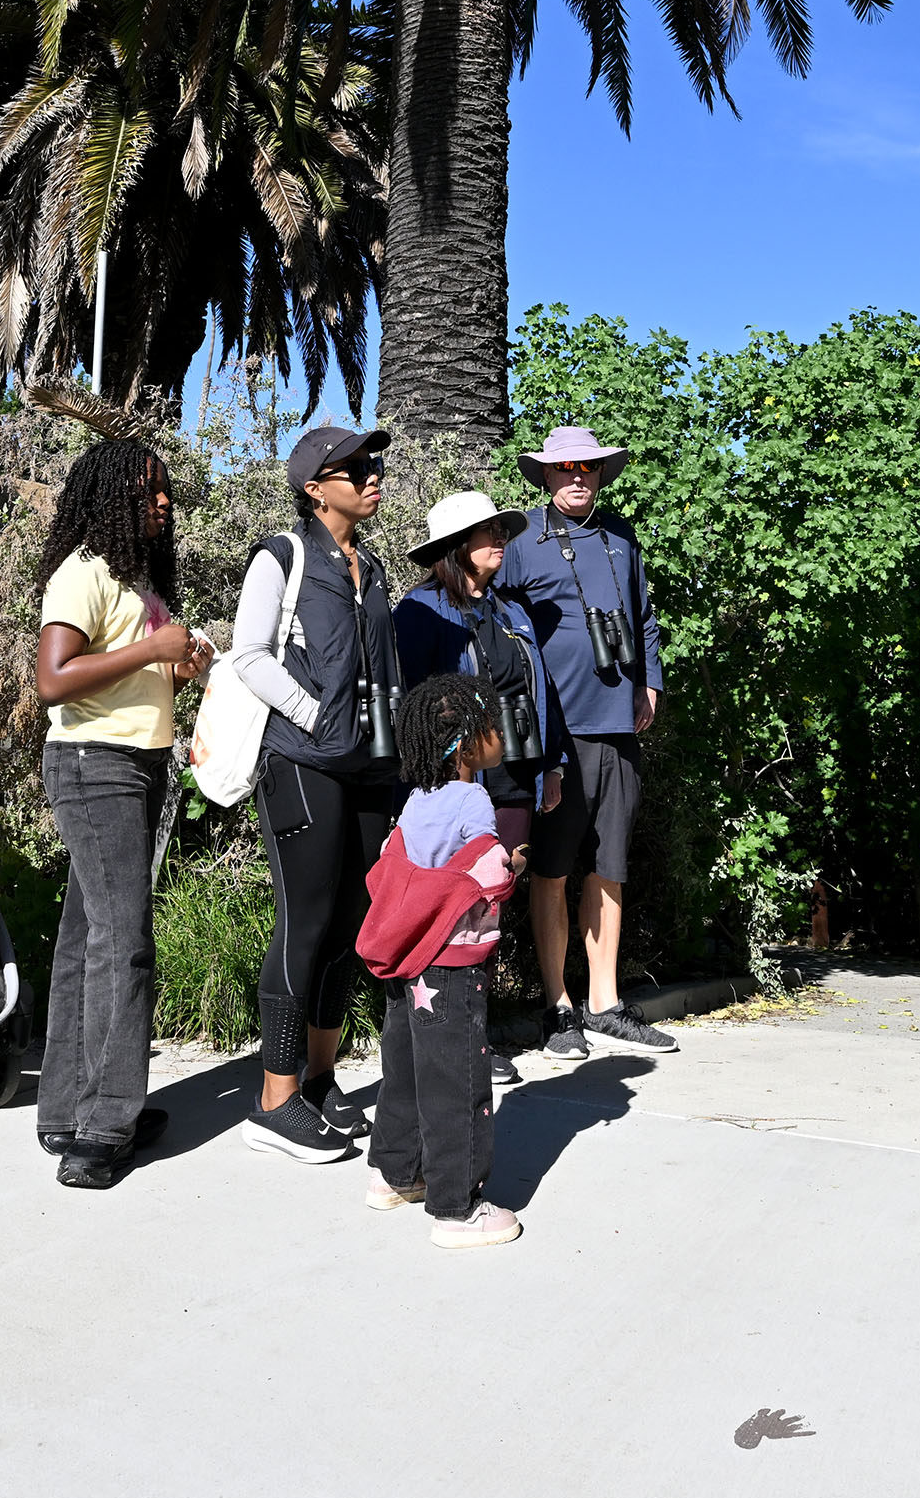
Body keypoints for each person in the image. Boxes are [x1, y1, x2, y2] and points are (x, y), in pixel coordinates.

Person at [227, 423, 403, 1162]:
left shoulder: (375, 567)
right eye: (354, 468)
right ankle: (273, 1100)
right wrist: (314, 715)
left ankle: (320, 1080)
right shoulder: (283, 555)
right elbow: (249, 654)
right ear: (312, 485)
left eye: (373, 465)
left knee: (350, 923)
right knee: (308, 919)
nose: (371, 476)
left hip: (369, 766)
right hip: (301, 760)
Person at [31, 439, 204, 1190]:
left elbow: (135, 669)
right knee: (123, 944)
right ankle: (102, 1130)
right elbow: (53, 679)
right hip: (95, 765)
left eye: (165, 491)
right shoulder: (83, 574)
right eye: (146, 492)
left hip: (132, 763)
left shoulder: (135, 580)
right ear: (108, 498)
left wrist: (176, 665)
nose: (162, 502)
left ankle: (68, 1109)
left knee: (87, 940)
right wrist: (151, 651)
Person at [500, 423, 672, 1059]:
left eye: (589, 469)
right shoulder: (519, 540)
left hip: (618, 727)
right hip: (555, 736)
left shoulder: (621, 539)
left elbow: (644, 620)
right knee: (549, 870)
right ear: (547, 475)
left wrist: (648, 682)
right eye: (566, 468)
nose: (578, 477)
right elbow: (502, 628)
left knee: (609, 867)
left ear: (601, 475)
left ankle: (604, 1003)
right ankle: (557, 1007)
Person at [392, 488, 568, 1086]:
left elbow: (540, 694)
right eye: (487, 531)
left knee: (492, 905)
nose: (499, 540)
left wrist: (551, 768)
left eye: (501, 531)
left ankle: (477, 1033)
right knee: (453, 908)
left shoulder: (511, 613)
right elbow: (411, 706)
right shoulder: (420, 612)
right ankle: (455, 1037)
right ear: (455, 547)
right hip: (457, 786)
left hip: (515, 780)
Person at [353, 671, 527, 1250]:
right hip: (452, 961)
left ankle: (396, 1175)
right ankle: (458, 1206)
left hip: (410, 962)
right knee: (458, 1074)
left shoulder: (416, 799)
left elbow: (393, 858)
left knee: (404, 1067)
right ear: (466, 743)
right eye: (493, 727)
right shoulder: (472, 797)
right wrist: (514, 864)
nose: (501, 736)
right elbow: (488, 869)